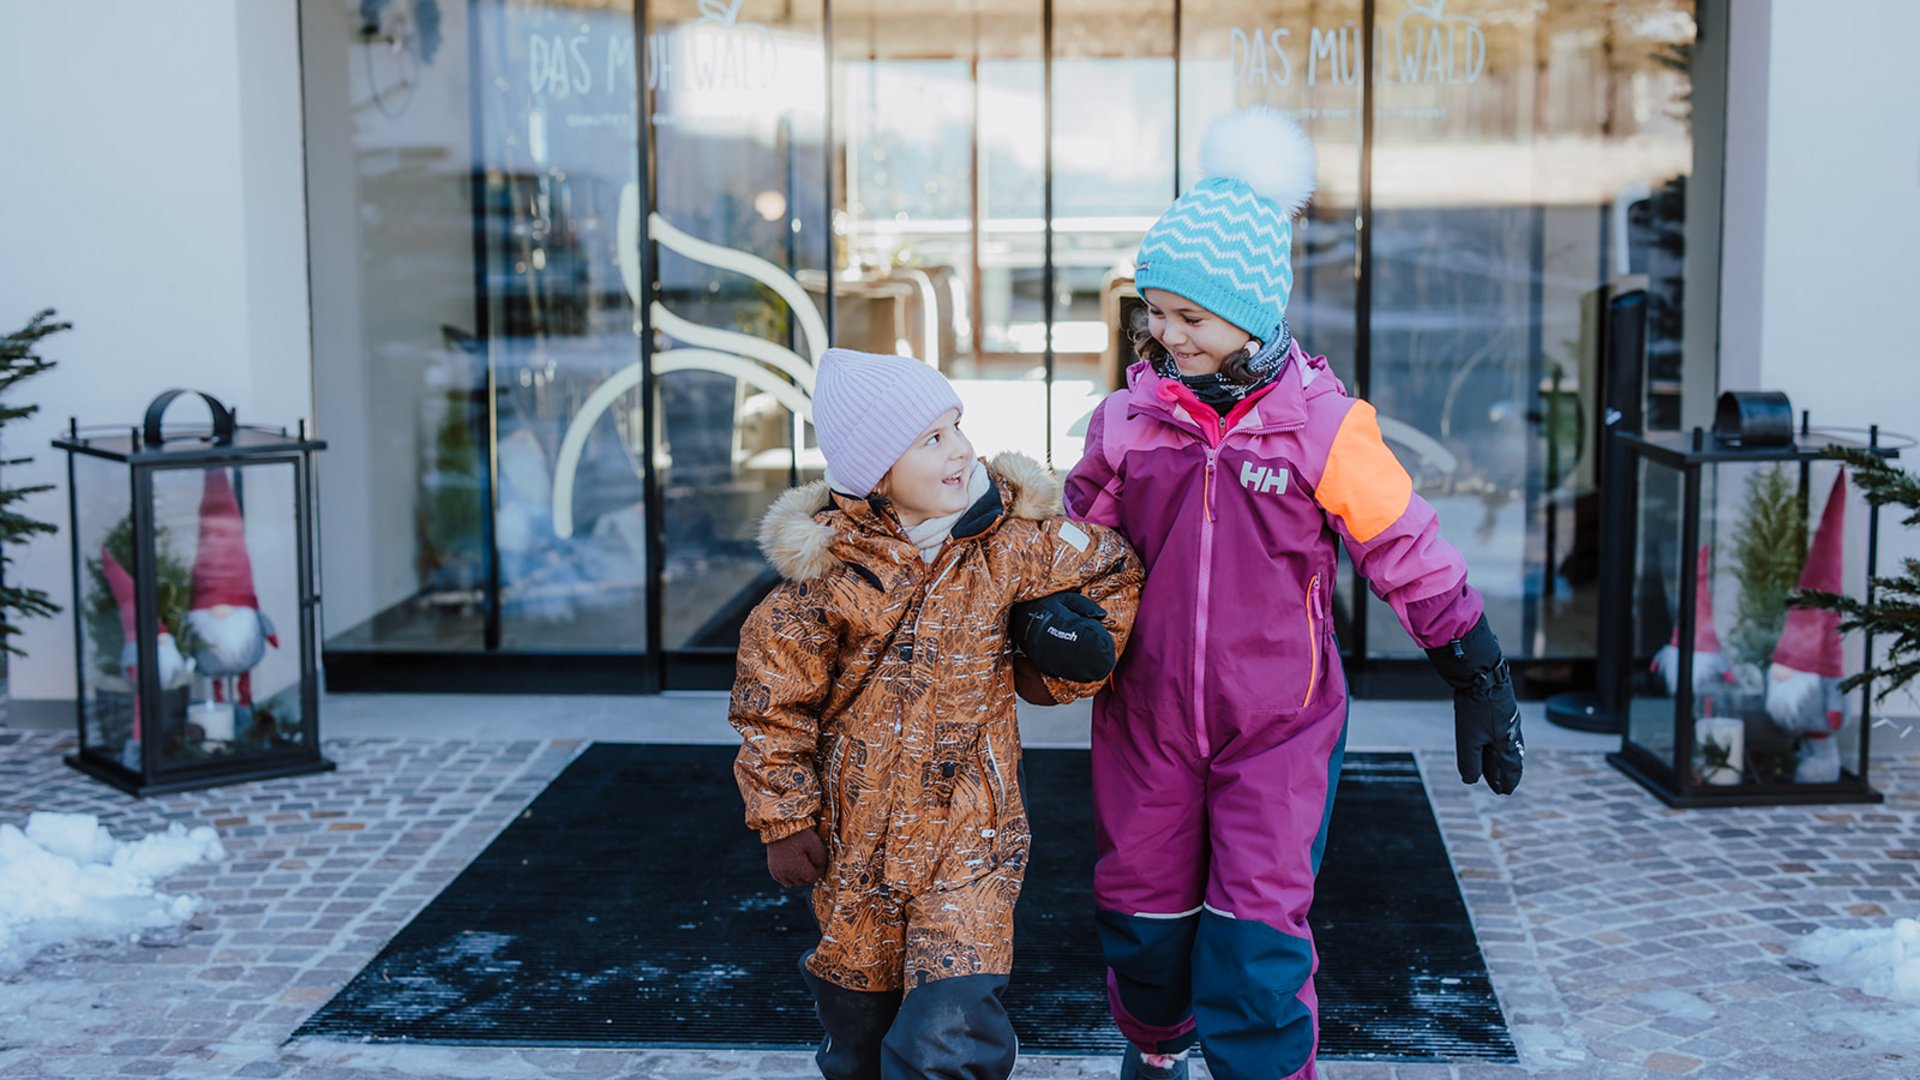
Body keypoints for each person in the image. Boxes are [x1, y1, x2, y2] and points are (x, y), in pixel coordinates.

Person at [1062, 106, 1525, 1080]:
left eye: (1189, 317)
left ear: (1253, 313)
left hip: (1279, 724)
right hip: (1145, 717)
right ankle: (1155, 1052)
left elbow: (1410, 549)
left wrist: (1475, 670)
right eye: (1155, 311)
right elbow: (1070, 541)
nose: (1164, 334)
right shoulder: (1128, 422)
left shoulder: (1324, 427)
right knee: (1141, 925)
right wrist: (1043, 614)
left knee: (1257, 942)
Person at [729, 346, 1143, 1079]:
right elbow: (771, 706)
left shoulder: (1015, 542)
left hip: (972, 841)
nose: (963, 450)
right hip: (856, 851)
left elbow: (1113, 566)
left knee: (948, 1034)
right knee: (858, 1033)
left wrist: (1056, 642)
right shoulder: (826, 584)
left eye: (957, 427)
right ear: (877, 474)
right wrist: (784, 818)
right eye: (933, 439)